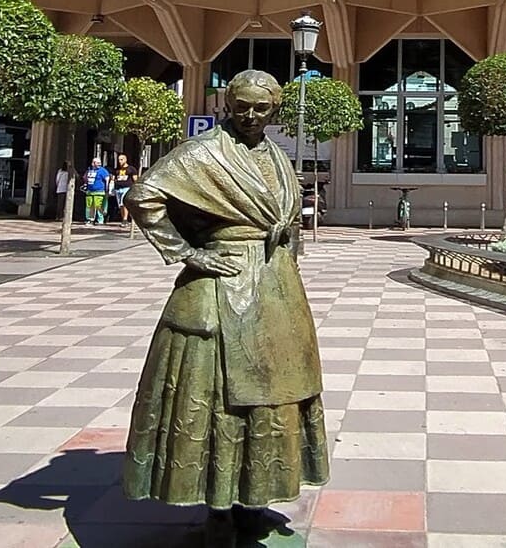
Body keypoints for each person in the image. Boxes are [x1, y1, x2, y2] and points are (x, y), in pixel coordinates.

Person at [122, 70, 328, 540]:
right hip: (225, 285)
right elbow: (143, 196)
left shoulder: (276, 155)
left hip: (275, 289)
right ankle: (218, 507)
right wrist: (188, 253)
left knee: (273, 395)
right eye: (242, 105)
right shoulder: (203, 152)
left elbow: (288, 218)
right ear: (227, 104)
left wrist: (289, 251)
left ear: (275, 110)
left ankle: (254, 497)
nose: (251, 115)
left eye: (261, 107)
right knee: (217, 398)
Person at [83, 157, 112, 225]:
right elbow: (85, 178)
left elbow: (107, 179)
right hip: (89, 192)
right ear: (93, 163)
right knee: (89, 206)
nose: (99, 164)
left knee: (98, 206)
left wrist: (107, 189)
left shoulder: (103, 170)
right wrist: (85, 185)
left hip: (99, 191)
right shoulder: (89, 170)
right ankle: (90, 219)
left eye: (100, 163)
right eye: (97, 163)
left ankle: (100, 220)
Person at [112, 154, 135, 226]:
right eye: (119, 160)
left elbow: (135, 179)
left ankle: (125, 219)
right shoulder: (117, 170)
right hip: (118, 188)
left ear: (125, 160)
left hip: (127, 188)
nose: (120, 161)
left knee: (124, 203)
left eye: (121, 159)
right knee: (120, 205)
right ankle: (124, 220)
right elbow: (113, 178)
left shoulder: (131, 169)